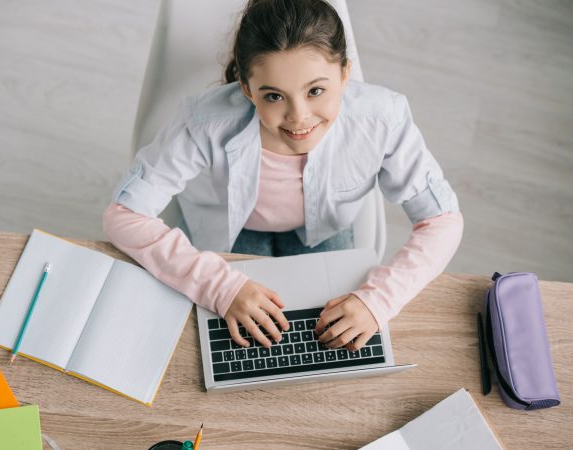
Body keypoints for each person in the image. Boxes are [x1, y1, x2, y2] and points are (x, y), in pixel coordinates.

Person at [103, 0, 463, 353]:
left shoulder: (384, 119)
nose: (299, 118)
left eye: (316, 91)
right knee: (239, 341)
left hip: (326, 227)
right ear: (246, 88)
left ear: (344, 74)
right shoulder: (203, 123)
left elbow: (443, 221)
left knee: (333, 338)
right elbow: (122, 216)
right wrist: (219, 287)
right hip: (233, 228)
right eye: (274, 96)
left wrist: (380, 299)